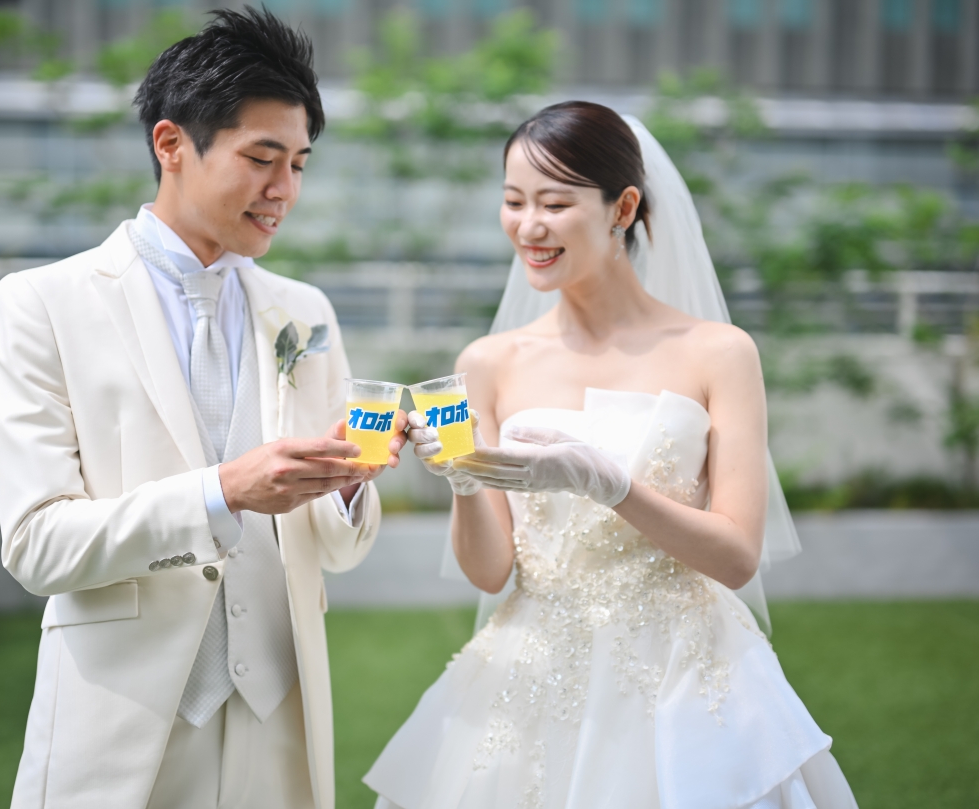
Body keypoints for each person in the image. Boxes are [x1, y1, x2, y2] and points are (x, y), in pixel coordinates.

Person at [364, 102, 857, 808]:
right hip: (532, 671)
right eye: (513, 201)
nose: (528, 226)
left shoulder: (720, 353)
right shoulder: (486, 363)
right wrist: (462, 481)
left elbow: (736, 557)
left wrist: (612, 486)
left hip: (684, 672)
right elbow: (490, 571)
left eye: (554, 203)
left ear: (622, 207)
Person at [0, 8, 404, 809]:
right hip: (123, 724)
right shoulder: (42, 304)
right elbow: (38, 546)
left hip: (279, 724)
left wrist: (348, 483)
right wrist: (222, 492)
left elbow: (335, 551)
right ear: (171, 144)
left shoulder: (305, 314)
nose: (284, 191)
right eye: (262, 159)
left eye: (299, 165)